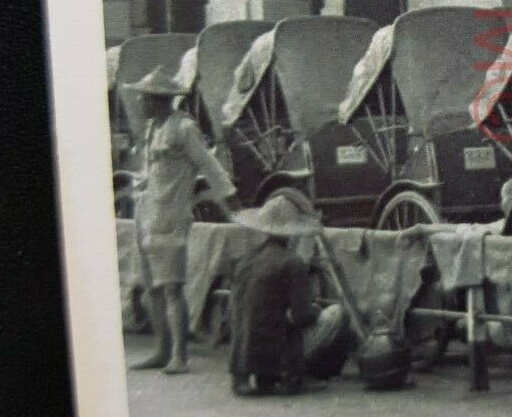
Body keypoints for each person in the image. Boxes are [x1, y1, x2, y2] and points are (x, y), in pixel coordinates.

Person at [128, 65, 239, 375]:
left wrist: (228, 197)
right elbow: (151, 173)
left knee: (172, 288)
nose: (140, 103)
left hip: (171, 217)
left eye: (145, 99)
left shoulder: (182, 129)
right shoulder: (154, 129)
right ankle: (161, 349)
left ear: (160, 100)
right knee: (151, 288)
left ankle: (179, 354)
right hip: (147, 214)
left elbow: (209, 164)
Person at [229, 187, 358, 396]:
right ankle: (297, 375)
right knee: (337, 314)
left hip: (241, 359)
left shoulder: (247, 260)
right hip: (276, 354)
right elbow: (300, 315)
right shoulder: (292, 262)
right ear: (292, 231)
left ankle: (258, 376)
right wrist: (314, 310)